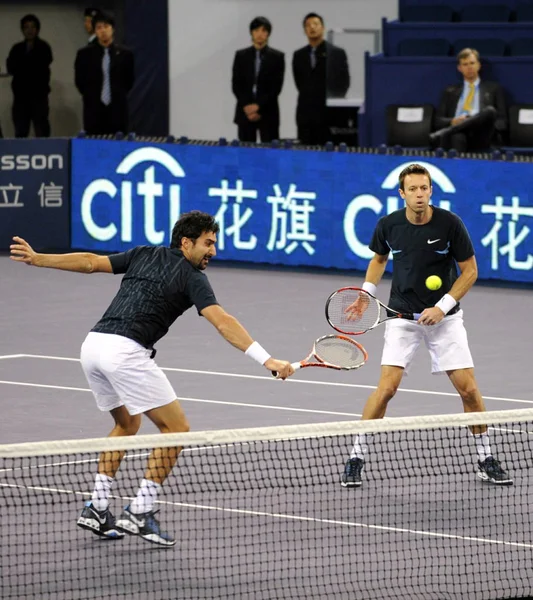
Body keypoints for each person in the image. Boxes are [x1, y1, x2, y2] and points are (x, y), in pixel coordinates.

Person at [10, 211, 294, 547]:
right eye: (208, 243)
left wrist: (40, 258)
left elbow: (90, 262)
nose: (213, 251)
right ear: (186, 242)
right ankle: (140, 510)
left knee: (127, 425)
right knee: (176, 430)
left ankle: (98, 507)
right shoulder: (193, 277)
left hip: (93, 346)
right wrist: (267, 360)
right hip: (125, 353)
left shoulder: (143, 253)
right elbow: (223, 322)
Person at [340, 163, 512, 488]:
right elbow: (379, 259)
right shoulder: (389, 225)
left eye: (425, 188)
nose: (420, 194)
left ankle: (486, 456)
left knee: (470, 390)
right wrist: (366, 294)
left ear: (431, 190)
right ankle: (356, 456)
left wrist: (442, 307)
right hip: (402, 318)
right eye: (413, 189)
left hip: (445, 320)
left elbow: (470, 271)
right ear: (402, 193)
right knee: (386, 389)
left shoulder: (450, 224)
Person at [430, 48, 507, 152]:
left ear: (478, 65)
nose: (469, 67)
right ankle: (458, 167)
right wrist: (453, 121)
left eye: (472, 63)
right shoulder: (449, 91)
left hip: (482, 134)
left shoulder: (494, 89)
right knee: (457, 136)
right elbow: (438, 121)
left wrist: (480, 123)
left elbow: (502, 121)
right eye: (465, 64)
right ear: (459, 68)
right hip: (458, 132)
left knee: (490, 111)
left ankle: (449, 131)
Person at [292, 13, 350, 145]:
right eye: (308, 25)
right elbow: (299, 83)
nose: (312, 28)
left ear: (323, 28)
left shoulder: (336, 53)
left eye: (316, 24)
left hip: (329, 114)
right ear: (304, 30)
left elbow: (344, 83)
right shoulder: (299, 55)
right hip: (305, 114)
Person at [74, 12, 134, 135]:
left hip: (117, 109)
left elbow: (129, 81)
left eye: (106, 26)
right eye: (99, 28)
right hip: (93, 110)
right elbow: (80, 81)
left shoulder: (125, 54)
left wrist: (117, 94)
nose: (103, 31)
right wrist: (91, 96)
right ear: (95, 31)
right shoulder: (84, 54)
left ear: (113, 29)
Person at [232, 17, 285, 143]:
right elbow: (236, 84)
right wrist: (247, 106)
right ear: (251, 33)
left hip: (268, 112)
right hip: (245, 113)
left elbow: (276, 87)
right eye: (256, 30)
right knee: (245, 155)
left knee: (270, 155)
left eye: (263, 31)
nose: (260, 34)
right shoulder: (241, 56)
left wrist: (258, 106)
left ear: (268, 33)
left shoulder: (277, 57)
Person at [6, 14, 53, 138]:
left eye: (32, 27)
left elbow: (41, 65)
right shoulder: (16, 48)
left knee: (41, 131)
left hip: (39, 98)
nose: (29, 30)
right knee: (20, 132)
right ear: (22, 30)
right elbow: (11, 67)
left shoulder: (44, 47)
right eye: (26, 27)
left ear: (37, 29)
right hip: (20, 99)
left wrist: (23, 66)